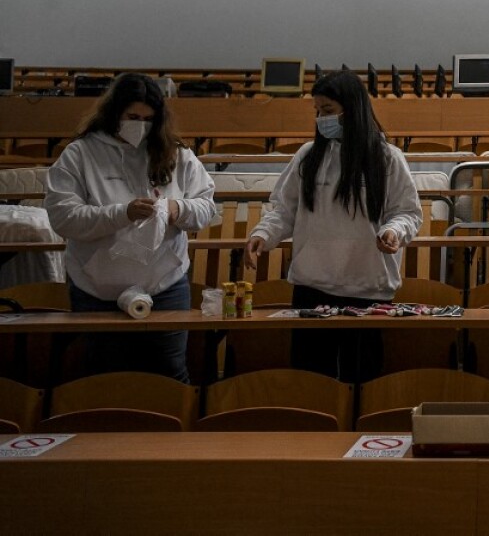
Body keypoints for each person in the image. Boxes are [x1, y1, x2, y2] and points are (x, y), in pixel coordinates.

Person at [246, 70, 422, 382]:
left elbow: (407, 212)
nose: (321, 118)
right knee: (310, 380)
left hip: (368, 288)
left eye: (328, 111)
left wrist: (394, 231)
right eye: (317, 111)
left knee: (361, 378)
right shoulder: (307, 156)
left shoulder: (387, 158)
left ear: (352, 109)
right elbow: (284, 210)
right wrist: (264, 234)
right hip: (312, 286)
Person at [45, 73, 217, 382]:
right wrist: (122, 213)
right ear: (115, 114)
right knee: (105, 376)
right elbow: (63, 217)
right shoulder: (80, 154)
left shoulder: (175, 153)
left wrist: (178, 209)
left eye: (149, 119)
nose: (141, 126)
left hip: (165, 284)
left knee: (169, 373)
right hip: (97, 289)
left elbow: (206, 208)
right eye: (133, 117)